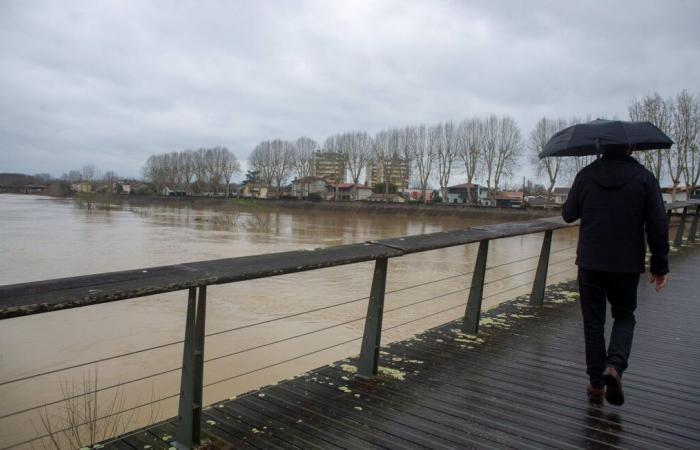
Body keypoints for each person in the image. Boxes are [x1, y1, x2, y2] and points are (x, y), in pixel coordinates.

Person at [562, 147, 669, 406]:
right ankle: (615, 367)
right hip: (626, 264)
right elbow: (657, 222)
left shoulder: (586, 175)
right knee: (624, 316)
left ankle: (596, 386)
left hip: (590, 262)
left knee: (593, 323)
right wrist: (659, 265)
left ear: (600, 147)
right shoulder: (644, 177)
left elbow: (568, 214)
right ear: (630, 148)